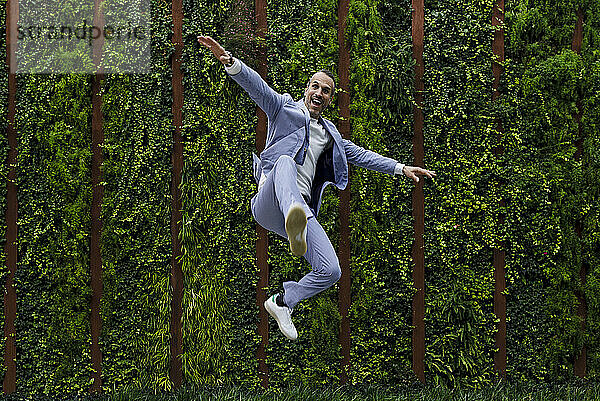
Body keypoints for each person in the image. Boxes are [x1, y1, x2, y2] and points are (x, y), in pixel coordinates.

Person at [198, 35, 436, 341]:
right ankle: (293, 216)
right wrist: (230, 61)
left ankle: (283, 301)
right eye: (315, 86)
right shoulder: (284, 109)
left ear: (329, 99)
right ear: (306, 89)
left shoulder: (332, 134)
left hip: (300, 214)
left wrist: (401, 167)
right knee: (284, 161)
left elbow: (361, 155)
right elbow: (258, 88)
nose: (319, 92)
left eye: (326, 90)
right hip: (270, 201)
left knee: (331, 269)